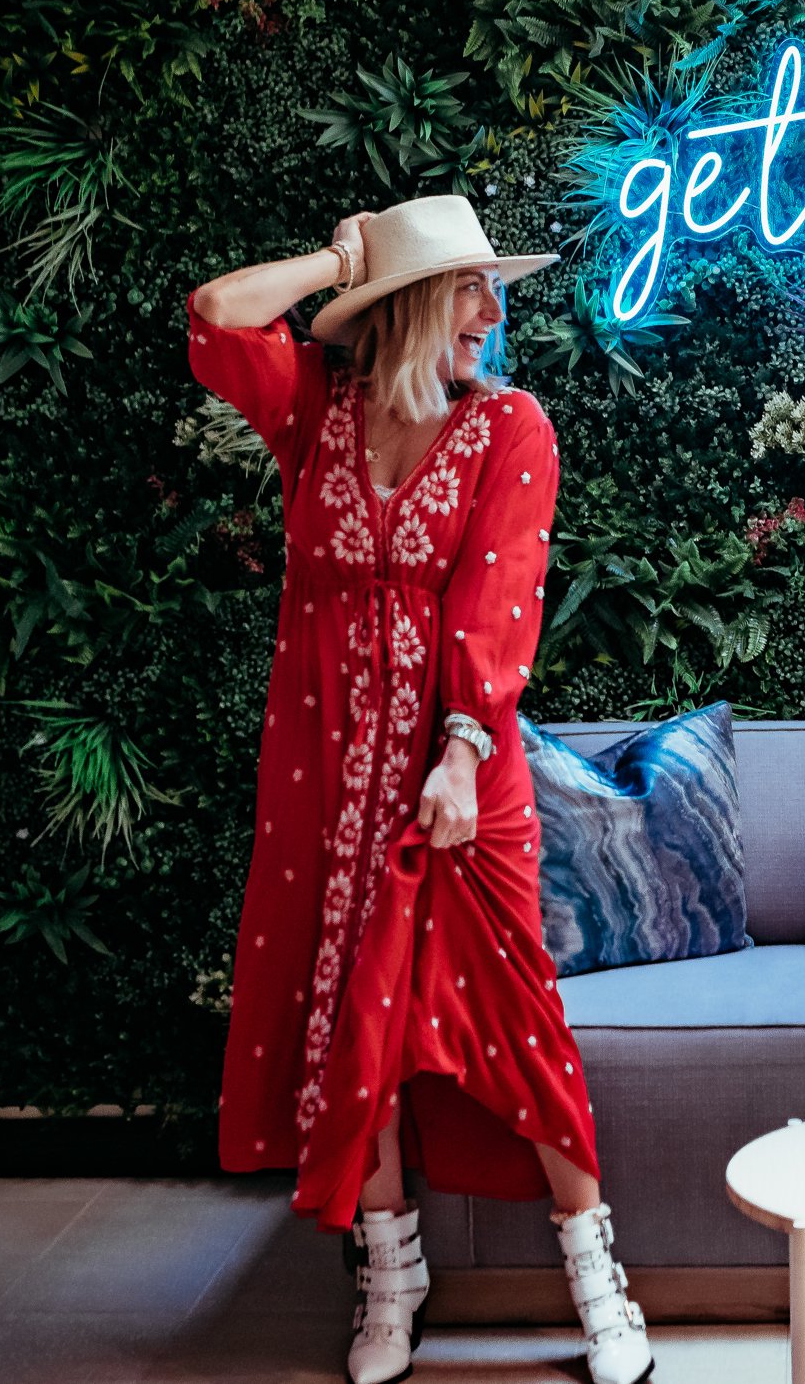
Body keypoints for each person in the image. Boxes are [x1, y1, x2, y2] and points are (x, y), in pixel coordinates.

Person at [188, 195, 652, 1384]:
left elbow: (499, 601)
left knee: (518, 1017)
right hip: (330, 773)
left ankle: (597, 1275)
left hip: (464, 774)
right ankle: (389, 1280)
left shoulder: (510, 427)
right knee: (358, 1022)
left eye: (492, 290)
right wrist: (341, 257)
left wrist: (456, 751)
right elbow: (218, 314)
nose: (493, 313)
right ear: (402, 306)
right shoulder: (313, 415)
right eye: (467, 287)